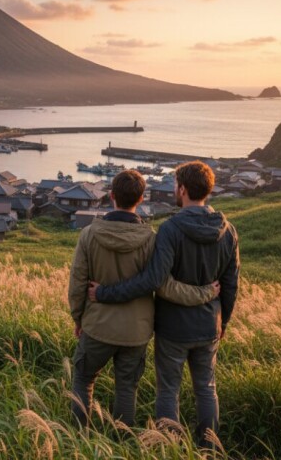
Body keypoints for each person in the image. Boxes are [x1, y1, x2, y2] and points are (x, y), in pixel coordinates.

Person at [88, 161, 239, 448]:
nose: (173, 189)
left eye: (174, 185)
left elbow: (153, 280)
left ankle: (167, 447)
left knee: (169, 391)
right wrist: (224, 322)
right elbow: (231, 284)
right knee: (207, 389)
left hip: (172, 327)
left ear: (182, 189)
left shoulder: (170, 229)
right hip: (209, 325)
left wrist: (105, 293)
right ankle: (208, 449)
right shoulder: (228, 231)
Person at [69, 169, 219, 428]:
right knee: (127, 387)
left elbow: (77, 284)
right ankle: (121, 440)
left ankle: (76, 436)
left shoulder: (89, 235)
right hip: (137, 332)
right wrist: (206, 293)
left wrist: (78, 317)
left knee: (83, 379)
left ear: (112, 196)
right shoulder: (151, 239)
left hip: (97, 325)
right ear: (141, 199)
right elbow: (162, 284)